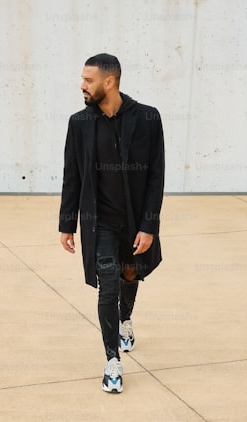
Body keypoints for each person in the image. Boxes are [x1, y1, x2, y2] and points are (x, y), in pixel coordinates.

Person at [58, 53, 165, 393]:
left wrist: (149, 226)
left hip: (134, 222)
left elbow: (155, 177)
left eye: (88, 80)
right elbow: (71, 175)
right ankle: (112, 361)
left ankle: (126, 320)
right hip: (99, 223)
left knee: (130, 274)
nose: (82, 85)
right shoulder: (80, 123)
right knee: (108, 284)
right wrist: (67, 223)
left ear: (110, 82)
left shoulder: (147, 118)